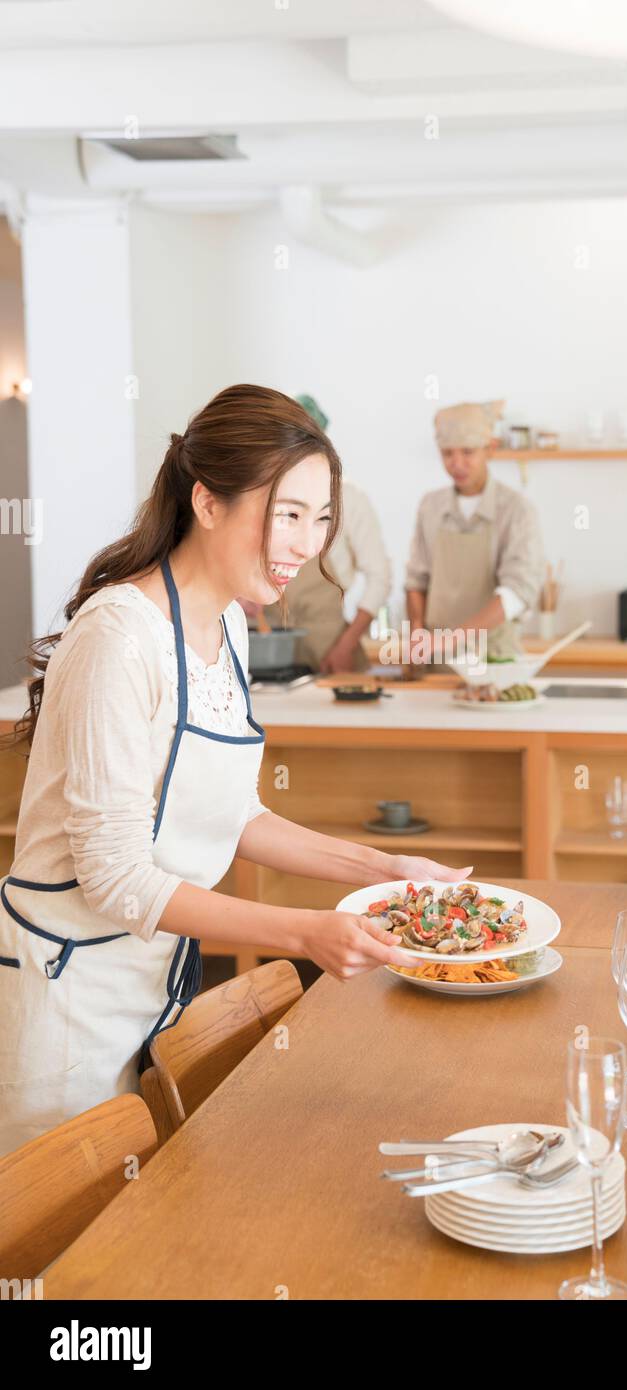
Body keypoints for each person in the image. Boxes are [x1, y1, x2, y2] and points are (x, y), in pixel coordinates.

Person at [0, 384, 471, 1156]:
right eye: (288, 514)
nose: (306, 543)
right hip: (69, 999)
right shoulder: (119, 636)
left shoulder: (225, 621)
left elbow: (230, 812)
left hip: (152, 984)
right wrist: (304, 934)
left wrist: (389, 869)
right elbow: (116, 877)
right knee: (65, 1259)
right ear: (208, 502)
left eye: (321, 520)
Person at [242, 395, 390, 674]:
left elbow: (380, 578)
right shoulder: (264, 496)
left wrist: (345, 647)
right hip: (270, 653)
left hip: (331, 650)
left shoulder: (350, 499)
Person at [405, 400, 545, 661]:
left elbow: (518, 591)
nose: (456, 463)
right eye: (447, 453)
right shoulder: (430, 506)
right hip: (438, 662)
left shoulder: (516, 510)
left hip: (493, 659)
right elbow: (416, 581)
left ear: (490, 449)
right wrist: (416, 633)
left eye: (468, 452)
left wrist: (453, 639)